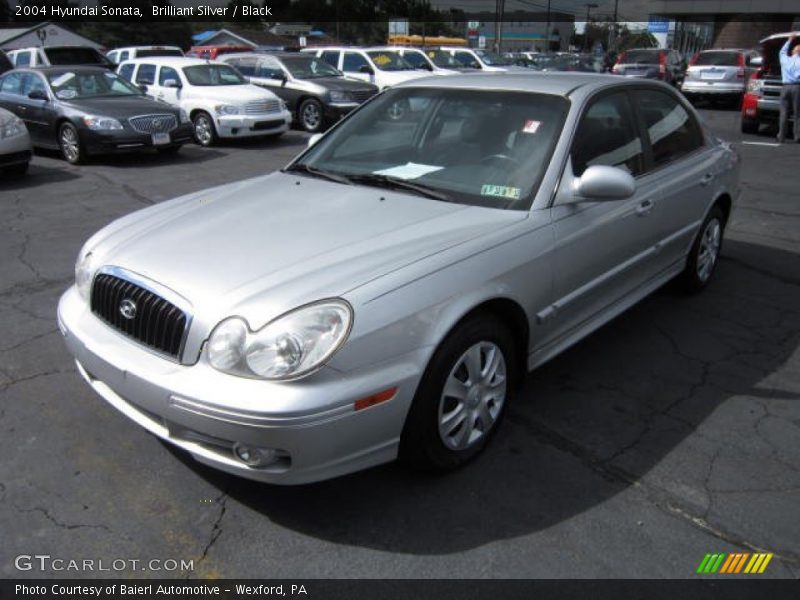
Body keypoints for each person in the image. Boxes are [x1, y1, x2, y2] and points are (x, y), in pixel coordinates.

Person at [777, 33, 800, 143]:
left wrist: (789, 40)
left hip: (785, 87)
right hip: (797, 87)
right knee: (797, 113)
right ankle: (797, 136)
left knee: (784, 112)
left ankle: (781, 136)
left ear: (792, 52)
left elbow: (781, 51)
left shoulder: (785, 59)